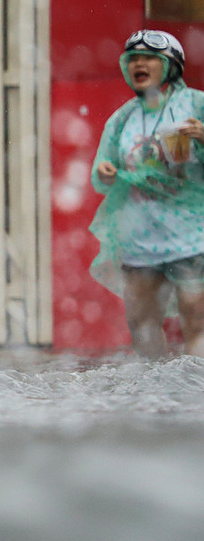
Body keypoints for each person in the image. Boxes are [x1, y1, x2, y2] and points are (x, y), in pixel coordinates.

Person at [90, 28, 204, 357]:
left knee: (196, 321)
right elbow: (104, 168)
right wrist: (105, 172)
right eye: (133, 59)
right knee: (142, 324)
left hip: (191, 234)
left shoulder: (196, 103)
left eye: (149, 58)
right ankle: (151, 397)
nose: (138, 64)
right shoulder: (125, 117)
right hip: (140, 236)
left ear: (170, 66)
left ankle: (197, 395)